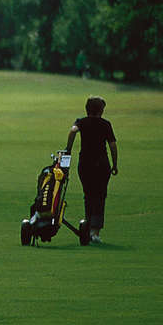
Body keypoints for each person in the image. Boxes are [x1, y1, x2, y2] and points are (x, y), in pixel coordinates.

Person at [66, 96, 119, 244]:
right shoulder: (105, 124)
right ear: (101, 110)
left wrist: (68, 150)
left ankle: (87, 228)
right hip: (101, 164)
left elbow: (72, 131)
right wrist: (115, 164)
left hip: (85, 164)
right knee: (100, 197)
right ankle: (95, 232)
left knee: (88, 195)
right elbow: (112, 145)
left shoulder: (81, 121)